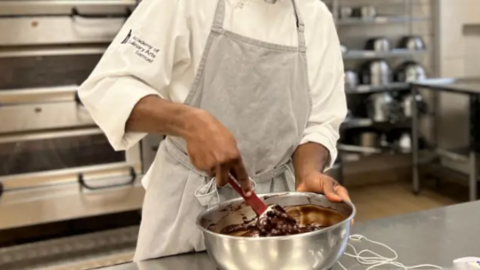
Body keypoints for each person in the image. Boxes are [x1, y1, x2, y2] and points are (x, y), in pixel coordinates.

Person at [78, 0, 350, 262]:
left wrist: (309, 172)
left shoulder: (314, 16)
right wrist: (189, 122)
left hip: (278, 204)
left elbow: (321, 120)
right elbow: (108, 86)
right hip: (186, 203)